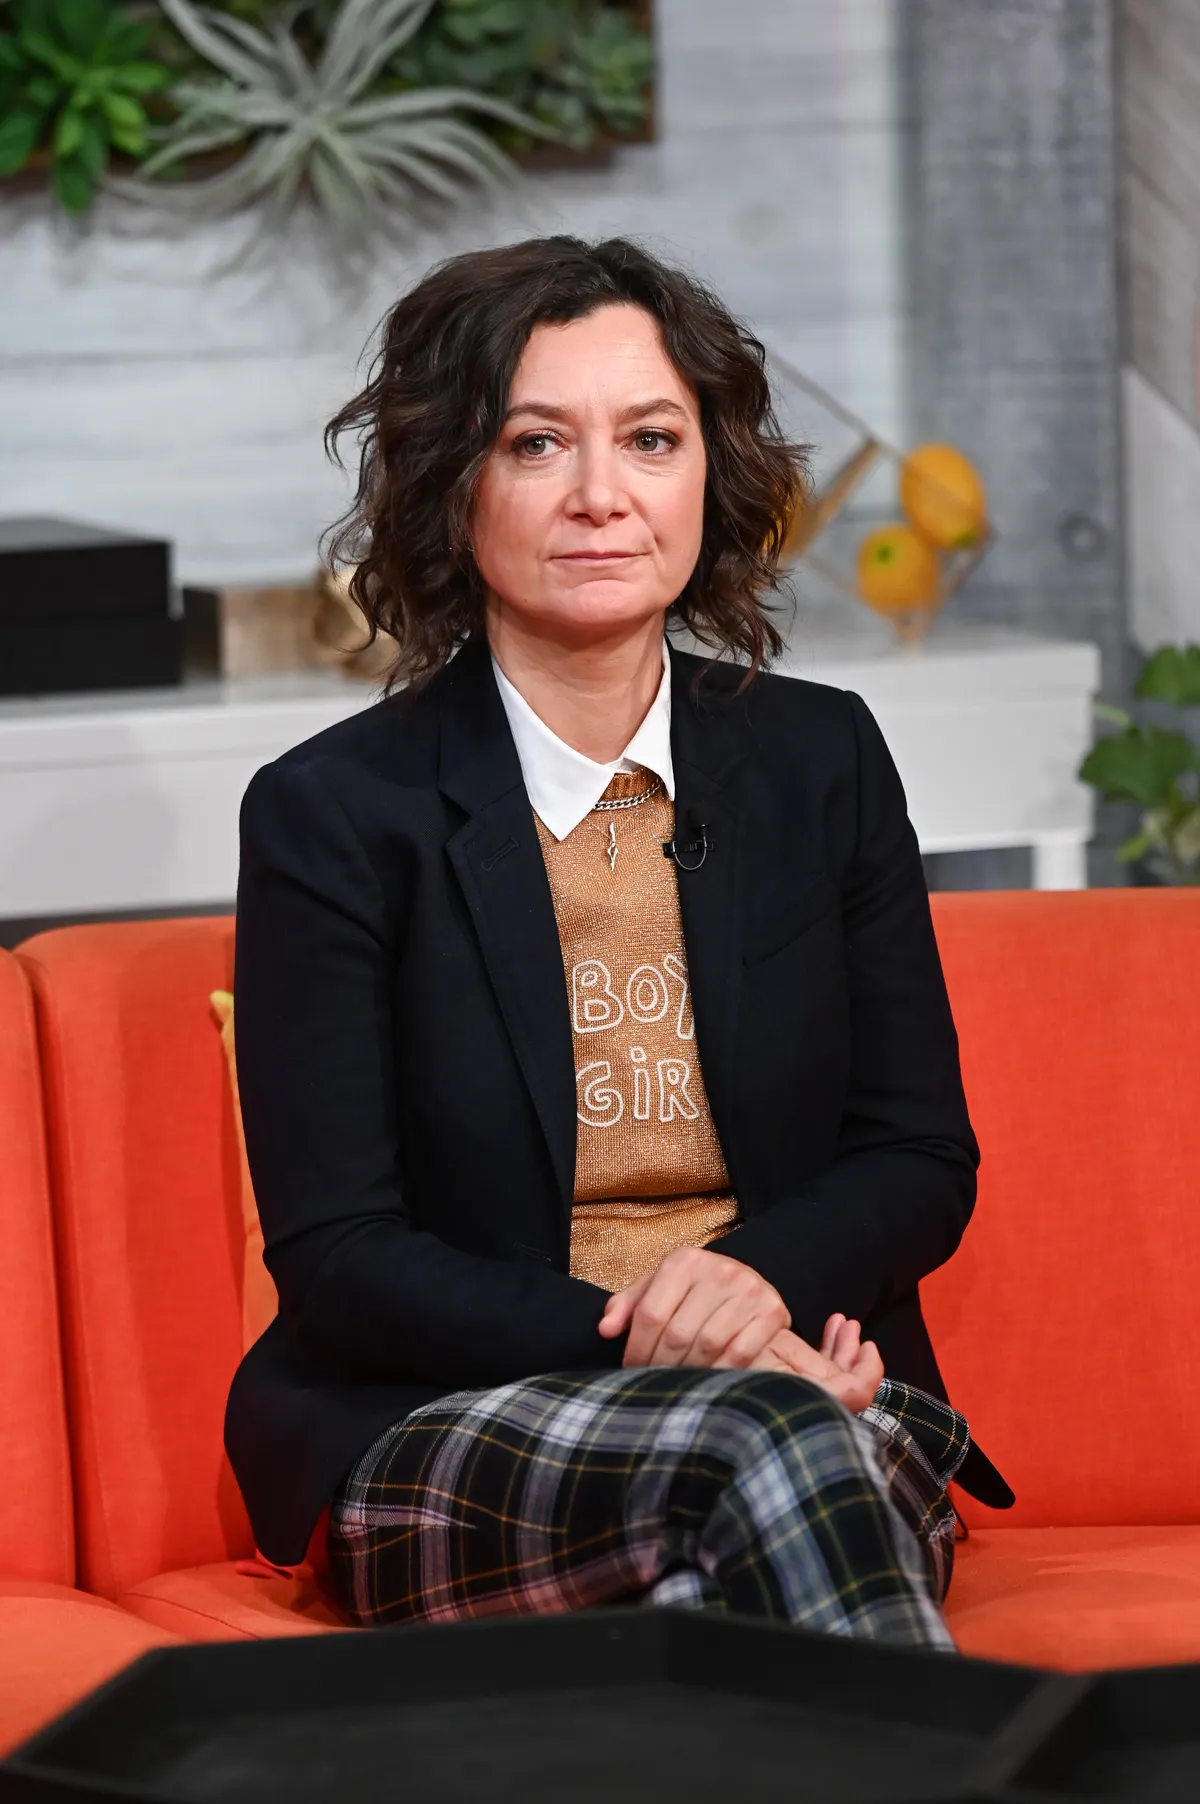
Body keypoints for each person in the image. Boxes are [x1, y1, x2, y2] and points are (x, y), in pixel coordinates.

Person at [226, 235, 1012, 1649]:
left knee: (750, 1530)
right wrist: (693, 1343)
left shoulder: (822, 758)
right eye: (537, 444)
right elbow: (340, 1255)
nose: (601, 496)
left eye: (650, 438)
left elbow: (918, 1156)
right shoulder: (334, 815)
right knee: (780, 1458)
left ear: (709, 475)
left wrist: (759, 1292)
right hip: (460, 1429)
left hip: (799, 1385)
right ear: (450, 481)